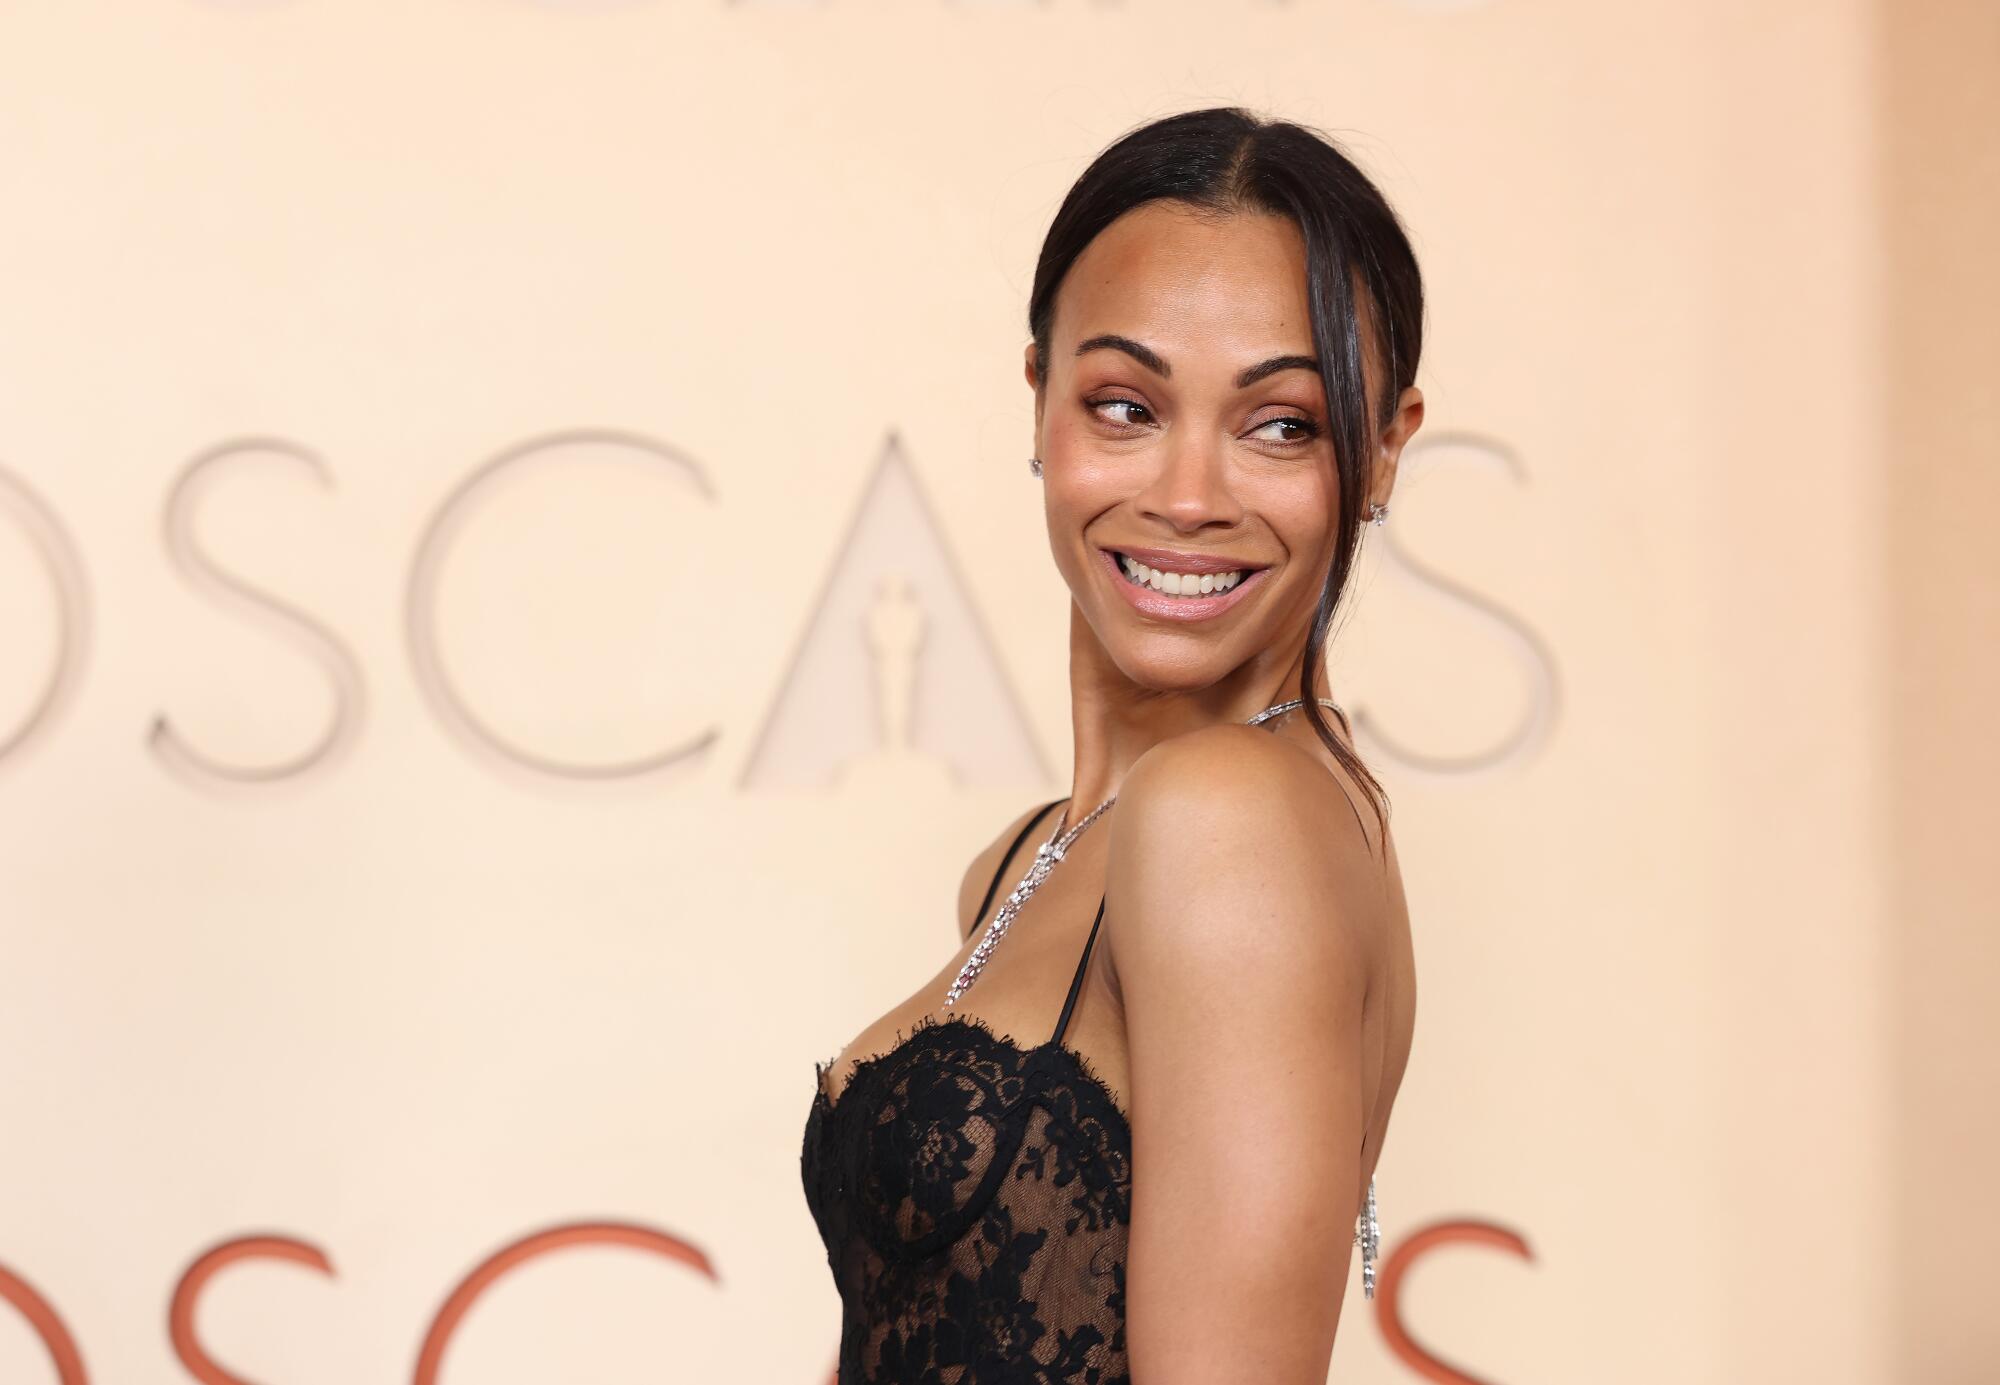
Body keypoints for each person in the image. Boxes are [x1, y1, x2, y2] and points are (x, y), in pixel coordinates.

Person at [801, 105, 1423, 1384]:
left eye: (1281, 424)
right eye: (1125, 404)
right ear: (1040, 400)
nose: (1186, 495)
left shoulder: (1228, 813)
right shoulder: (1026, 858)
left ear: (1381, 450)